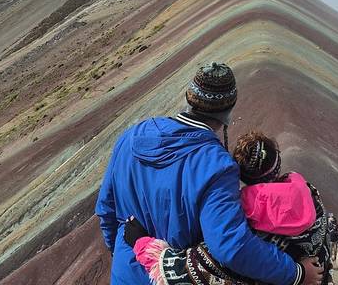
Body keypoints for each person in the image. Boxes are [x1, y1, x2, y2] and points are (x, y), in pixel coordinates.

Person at [95, 62, 322, 285]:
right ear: (228, 112)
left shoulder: (131, 136)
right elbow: (230, 246)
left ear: (188, 97)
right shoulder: (217, 167)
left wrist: (124, 256)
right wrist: (296, 274)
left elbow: (106, 209)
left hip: (125, 273)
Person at [124, 131, 331, 285]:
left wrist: (140, 241)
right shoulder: (311, 196)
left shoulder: (242, 231)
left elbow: (182, 270)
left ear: (243, 176)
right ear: (277, 165)